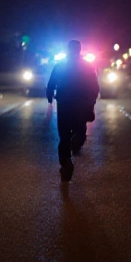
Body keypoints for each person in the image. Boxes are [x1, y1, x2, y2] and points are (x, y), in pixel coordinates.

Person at [45, 40, 99, 181]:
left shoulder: (61, 65)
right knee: (80, 129)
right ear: (79, 50)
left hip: (64, 104)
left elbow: (51, 83)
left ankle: (66, 162)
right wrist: (91, 102)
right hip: (81, 105)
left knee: (64, 136)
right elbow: (95, 87)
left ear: (68, 50)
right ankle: (76, 145)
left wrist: (50, 97)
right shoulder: (87, 66)